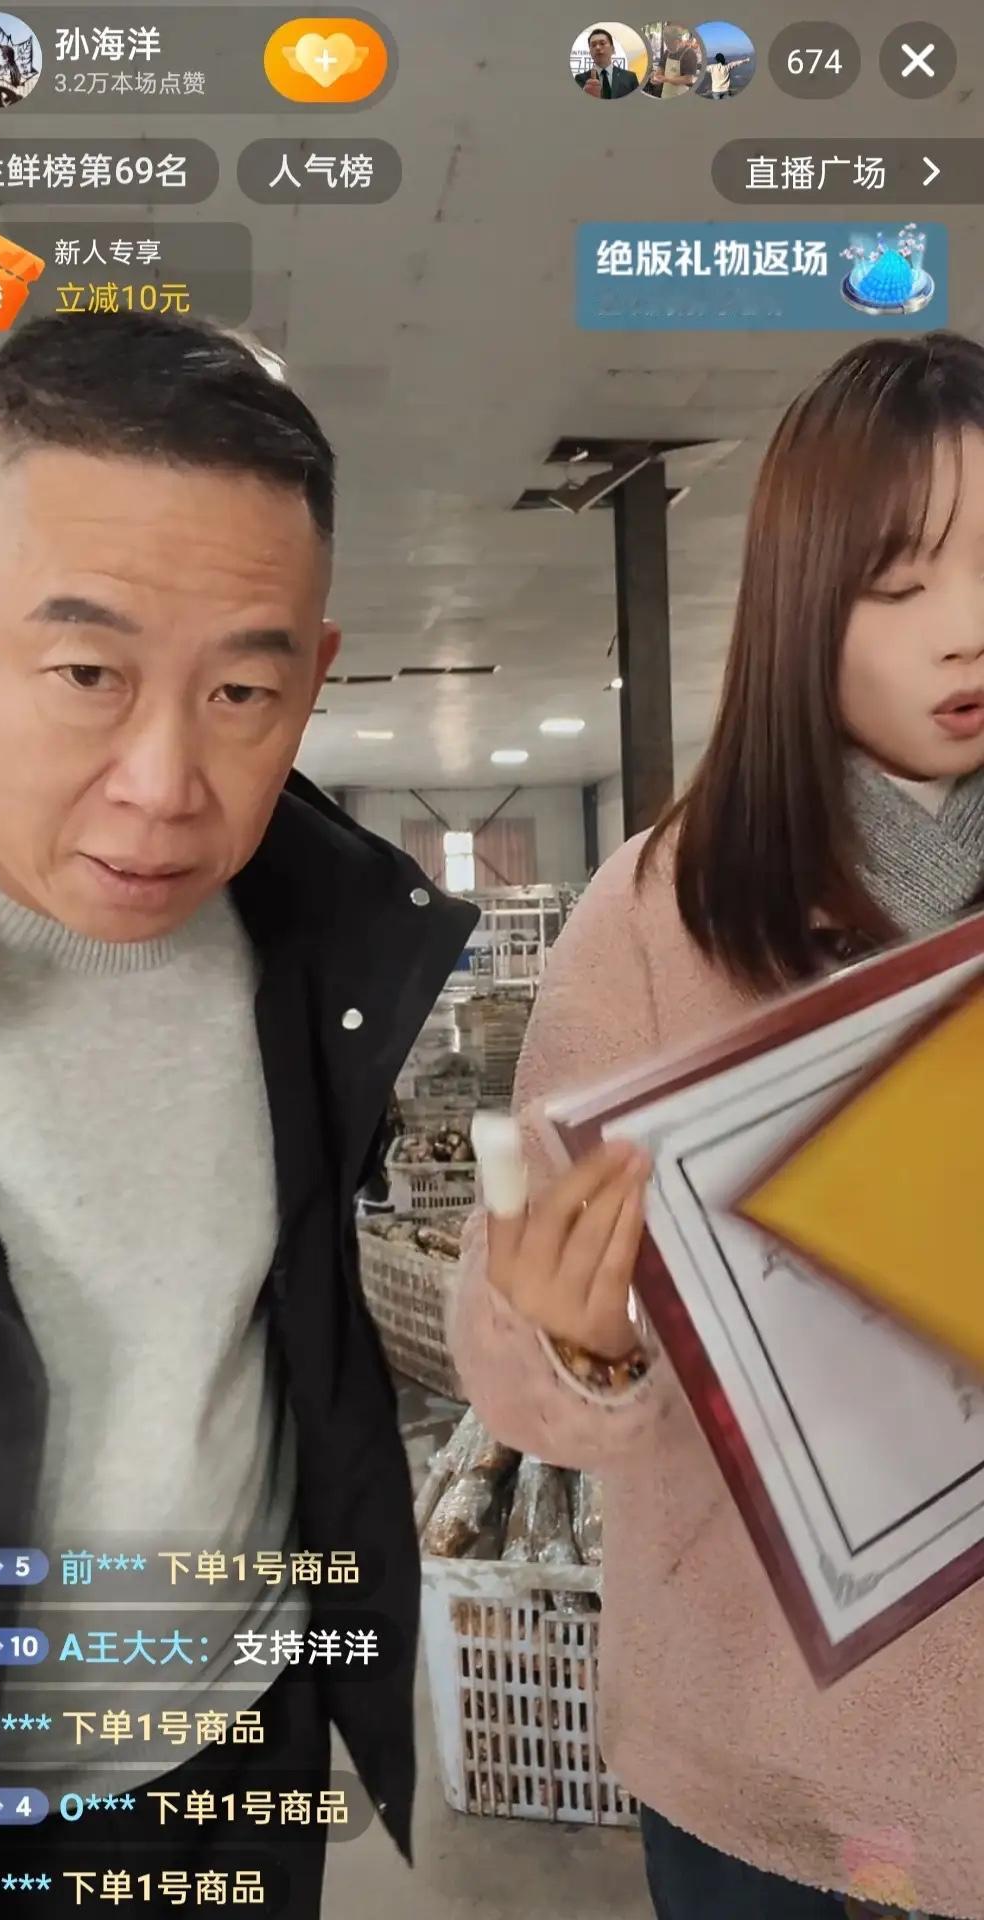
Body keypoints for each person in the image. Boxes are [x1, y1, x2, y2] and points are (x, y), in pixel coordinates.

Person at [0, 310, 476, 1917]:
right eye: (87, 672)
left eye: (240, 690)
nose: (164, 783)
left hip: (234, 1764)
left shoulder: (327, 950)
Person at [451, 329, 984, 1920]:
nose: (966, 630)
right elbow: (523, 1307)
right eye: (899, 585)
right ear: (802, 606)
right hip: (766, 1742)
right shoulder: (659, 915)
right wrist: (569, 1336)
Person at [575, 27, 639, 98]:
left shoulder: (630, 77)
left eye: (602, 43)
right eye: (593, 45)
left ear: (613, 49)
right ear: (590, 52)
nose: (598, 47)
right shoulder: (580, 79)